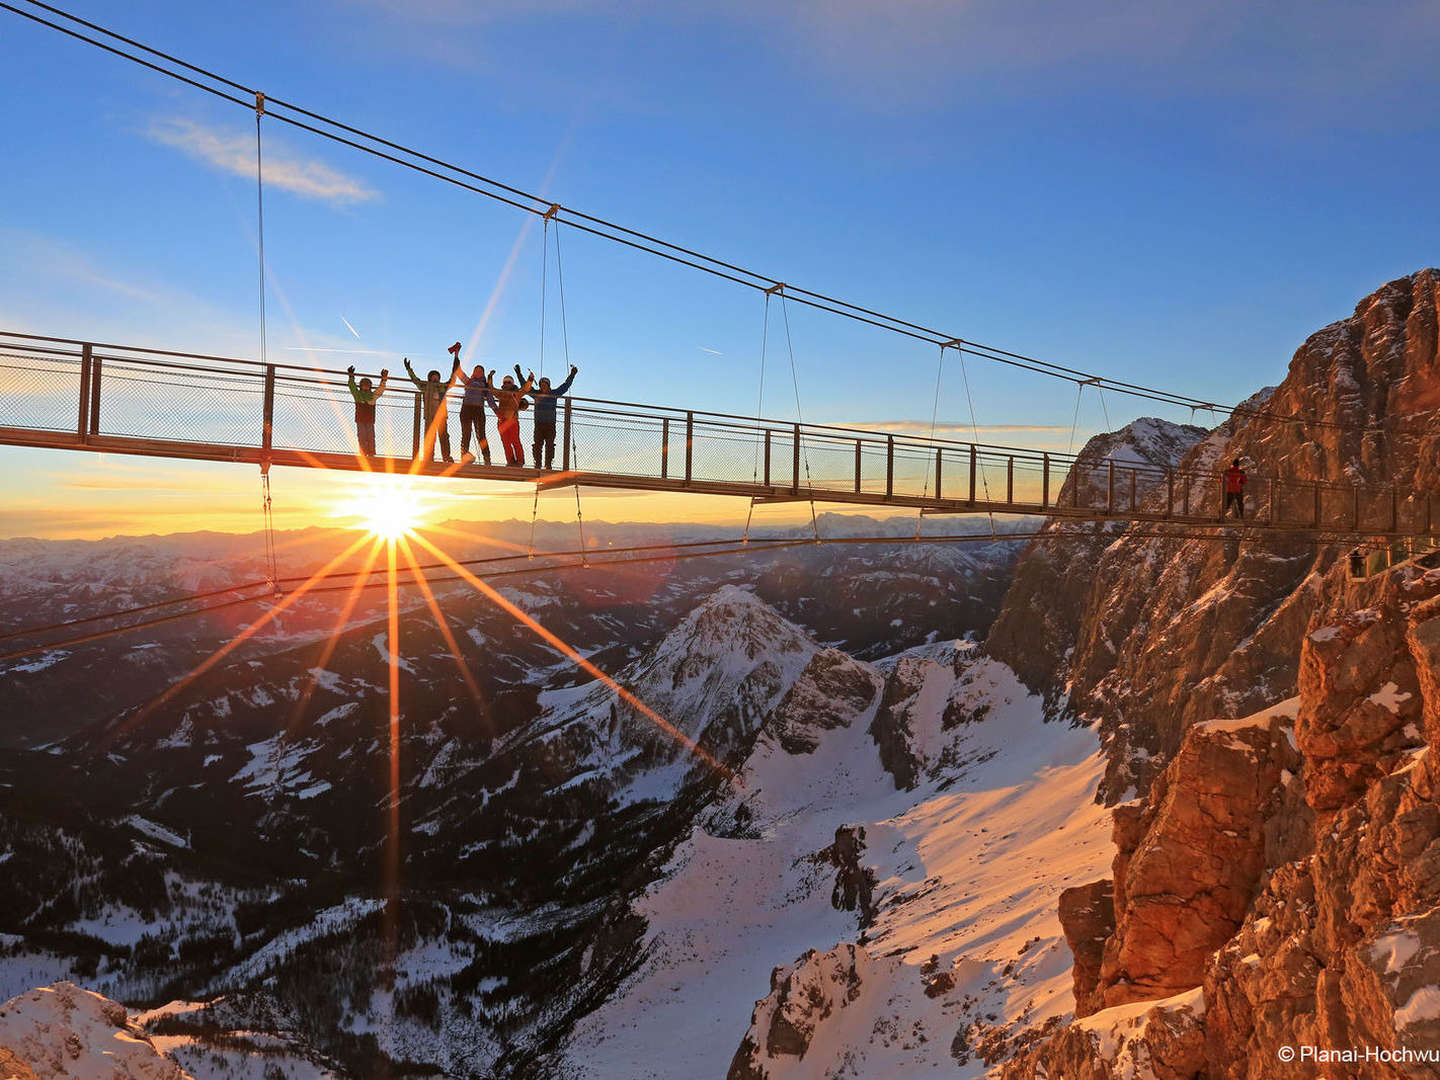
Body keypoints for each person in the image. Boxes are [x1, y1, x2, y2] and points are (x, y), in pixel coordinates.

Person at [515, 363, 578, 470]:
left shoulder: (555, 393)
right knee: (537, 445)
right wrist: (519, 373)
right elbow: (525, 386)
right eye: (541, 385)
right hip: (539, 424)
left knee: (550, 445)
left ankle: (548, 464)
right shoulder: (536, 394)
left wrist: (572, 375)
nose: (543, 386)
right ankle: (538, 464)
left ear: (549, 385)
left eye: (545, 385)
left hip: (550, 425)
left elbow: (565, 386)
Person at [403, 352, 461, 464]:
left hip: (441, 416)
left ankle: (446, 457)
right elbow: (416, 381)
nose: (435, 378)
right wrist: (409, 370)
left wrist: (456, 361)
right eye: (433, 376)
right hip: (430, 416)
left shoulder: (443, 387)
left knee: (444, 437)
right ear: (429, 378)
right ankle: (429, 457)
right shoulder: (425, 386)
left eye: (437, 377)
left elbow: (452, 379)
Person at [453, 348, 497, 466]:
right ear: (473, 372)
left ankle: (487, 458)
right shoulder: (468, 381)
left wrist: (496, 411)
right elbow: (458, 371)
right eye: (476, 370)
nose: (478, 372)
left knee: (481, 435)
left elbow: (490, 399)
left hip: (478, 410)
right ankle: (464, 456)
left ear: (483, 373)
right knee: (466, 434)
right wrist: (456, 355)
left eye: (480, 371)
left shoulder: (485, 385)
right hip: (466, 409)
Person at [490, 371, 534, 466]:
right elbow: (492, 389)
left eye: (508, 382)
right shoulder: (500, 393)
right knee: (506, 442)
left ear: (512, 383)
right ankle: (510, 461)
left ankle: (520, 461)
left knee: (515, 441)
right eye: (505, 382)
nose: (506, 384)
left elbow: (526, 388)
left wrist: (530, 379)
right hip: (502, 420)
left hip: (512, 420)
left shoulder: (517, 393)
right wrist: (490, 377)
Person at [346, 365, 389, 457]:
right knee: (361, 437)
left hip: (369, 420)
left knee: (370, 437)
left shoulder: (372, 396)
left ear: (370, 387)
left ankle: (371, 452)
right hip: (361, 420)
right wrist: (351, 376)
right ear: (361, 386)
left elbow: (380, 390)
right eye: (364, 385)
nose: (365, 387)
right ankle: (363, 452)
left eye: (367, 385)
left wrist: (383, 380)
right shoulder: (357, 395)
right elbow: (352, 387)